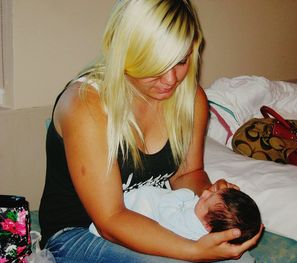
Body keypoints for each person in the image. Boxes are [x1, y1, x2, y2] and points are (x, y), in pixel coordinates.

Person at [38, 0, 263, 262]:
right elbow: (110, 220)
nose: (171, 79)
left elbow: (187, 174)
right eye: (156, 65)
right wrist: (193, 251)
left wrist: (213, 198)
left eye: (181, 61)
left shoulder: (190, 99)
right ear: (126, 53)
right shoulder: (86, 104)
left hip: (151, 217)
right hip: (78, 232)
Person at [89, 186, 262, 244]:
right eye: (211, 192)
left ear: (207, 226)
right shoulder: (208, 231)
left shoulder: (188, 224)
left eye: (206, 199)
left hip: (138, 209)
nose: (204, 193)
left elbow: (166, 209)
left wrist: (185, 193)